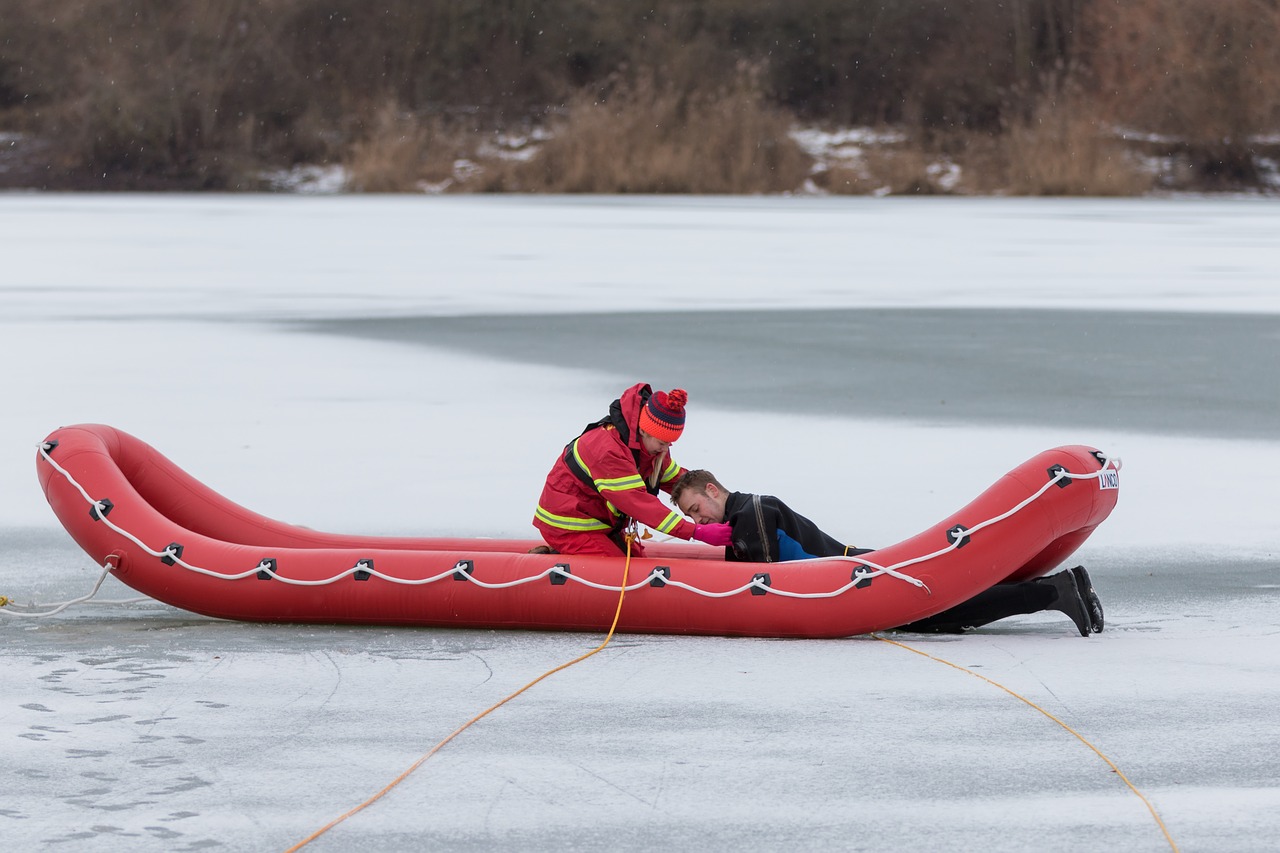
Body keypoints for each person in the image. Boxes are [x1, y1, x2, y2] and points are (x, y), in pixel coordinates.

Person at [670, 469, 1104, 636]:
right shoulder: (747, 511)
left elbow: (756, 578)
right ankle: (1055, 591)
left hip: (858, 574)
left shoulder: (751, 512)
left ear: (712, 490)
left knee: (946, 612)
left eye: (696, 510)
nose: (701, 521)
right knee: (946, 613)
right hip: (857, 569)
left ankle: (1056, 591)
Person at [532, 384, 733, 557]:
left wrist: (726, 506)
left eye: (669, 444)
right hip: (569, 527)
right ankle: (558, 559)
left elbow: (679, 482)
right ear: (644, 430)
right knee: (619, 575)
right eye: (662, 442)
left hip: (602, 524)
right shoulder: (608, 450)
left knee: (638, 563)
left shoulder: (652, 450)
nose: (666, 449)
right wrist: (695, 531)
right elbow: (639, 504)